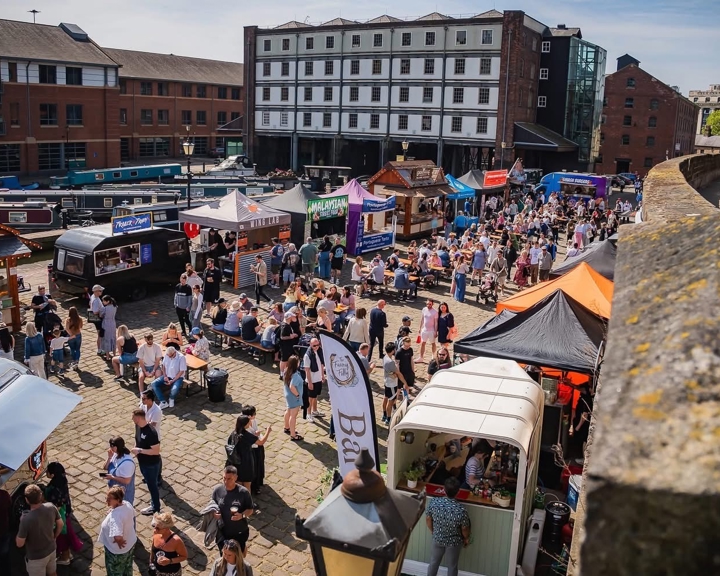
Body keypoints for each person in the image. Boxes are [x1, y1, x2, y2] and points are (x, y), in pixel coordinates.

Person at [425, 477, 471, 576]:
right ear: (458, 492)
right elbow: (465, 528)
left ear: (444, 490)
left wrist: (433, 531)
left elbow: (428, 518)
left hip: (437, 538)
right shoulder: (461, 510)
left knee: (433, 563)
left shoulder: (434, 502)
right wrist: (466, 538)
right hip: (453, 543)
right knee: (452, 566)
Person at [16, 484, 63, 576]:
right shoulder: (51, 507)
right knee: (53, 573)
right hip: (51, 549)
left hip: (36, 558)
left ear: (27, 500)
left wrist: (21, 523)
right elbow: (60, 524)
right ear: (41, 496)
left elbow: (19, 543)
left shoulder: (26, 519)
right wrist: (54, 536)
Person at [44, 462, 82, 565]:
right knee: (66, 535)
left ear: (52, 475)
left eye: (48, 471)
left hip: (60, 516)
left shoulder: (55, 489)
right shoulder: (62, 480)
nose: (46, 473)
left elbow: (56, 506)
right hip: (66, 512)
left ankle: (65, 557)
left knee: (62, 537)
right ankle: (67, 554)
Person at [211, 466, 255, 554]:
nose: (226, 481)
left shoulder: (243, 492)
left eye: (229, 479)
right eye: (224, 478)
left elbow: (250, 510)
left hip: (239, 531)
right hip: (222, 531)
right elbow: (212, 506)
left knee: (239, 554)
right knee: (224, 554)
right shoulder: (217, 490)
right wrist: (214, 513)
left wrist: (241, 515)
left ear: (236, 478)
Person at [98, 486, 137, 576]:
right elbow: (132, 514)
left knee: (115, 572)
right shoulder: (127, 504)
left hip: (117, 552)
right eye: (106, 498)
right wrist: (113, 510)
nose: (107, 501)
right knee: (127, 567)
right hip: (130, 544)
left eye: (109, 499)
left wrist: (119, 541)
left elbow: (117, 536)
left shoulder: (116, 517)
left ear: (118, 499)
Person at [131, 409, 161, 515]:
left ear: (139, 418)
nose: (132, 419)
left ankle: (155, 507)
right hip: (143, 462)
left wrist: (139, 450)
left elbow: (156, 451)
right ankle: (154, 503)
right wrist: (136, 447)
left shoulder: (151, 432)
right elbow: (137, 439)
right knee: (150, 483)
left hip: (151, 464)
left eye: (133, 417)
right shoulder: (137, 426)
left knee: (152, 486)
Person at [226, 415, 258, 492]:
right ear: (245, 424)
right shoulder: (246, 435)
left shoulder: (234, 433)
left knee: (238, 483)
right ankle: (247, 503)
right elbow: (260, 442)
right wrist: (268, 432)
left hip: (235, 462)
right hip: (246, 462)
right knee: (247, 485)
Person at [104, 437, 136, 506]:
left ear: (116, 447)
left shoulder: (128, 463)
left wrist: (112, 477)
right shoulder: (115, 454)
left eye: (111, 446)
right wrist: (109, 457)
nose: (110, 448)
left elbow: (127, 481)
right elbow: (105, 467)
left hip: (124, 495)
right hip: (115, 492)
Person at [382, 342, 407, 425]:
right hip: (392, 384)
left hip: (386, 382)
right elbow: (398, 374)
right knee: (391, 401)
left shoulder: (385, 358)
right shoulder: (391, 362)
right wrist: (405, 383)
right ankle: (388, 418)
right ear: (393, 351)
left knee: (385, 398)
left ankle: (384, 414)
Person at [303, 338, 325, 423]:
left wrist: (322, 375)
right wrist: (310, 382)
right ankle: (308, 414)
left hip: (318, 378)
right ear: (311, 345)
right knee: (310, 398)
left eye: (318, 345)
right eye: (314, 345)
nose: (316, 347)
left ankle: (315, 411)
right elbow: (307, 370)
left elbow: (321, 364)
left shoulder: (319, 351)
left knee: (315, 396)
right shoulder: (307, 355)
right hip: (312, 380)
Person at [282, 355, 304, 441]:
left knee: (288, 411)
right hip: (294, 397)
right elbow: (292, 386)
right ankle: (293, 434)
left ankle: (287, 427)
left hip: (288, 395)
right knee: (293, 415)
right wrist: (298, 395)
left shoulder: (286, 371)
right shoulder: (295, 376)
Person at [278, 311, 300, 377]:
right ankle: (282, 373)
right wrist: (291, 337)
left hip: (287, 345)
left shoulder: (286, 324)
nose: (293, 317)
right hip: (285, 346)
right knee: (284, 360)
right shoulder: (285, 326)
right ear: (289, 317)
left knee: (286, 359)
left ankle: (284, 372)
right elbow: (282, 337)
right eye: (292, 316)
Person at [101, 296, 118, 362]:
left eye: (104, 301)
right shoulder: (115, 306)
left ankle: (107, 356)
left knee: (107, 339)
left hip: (106, 324)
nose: (103, 302)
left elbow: (101, 315)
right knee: (113, 338)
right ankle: (114, 354)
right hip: (113, 323)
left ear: (107, 301)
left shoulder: (105, 308)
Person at [89, 284, 105, 355]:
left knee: (100, 334)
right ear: (96, 291)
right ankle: (99, 349)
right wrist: (102, 311)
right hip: (98, 318)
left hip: (96, 317)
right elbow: (95, 311)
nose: (101, 292)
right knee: (100, 334)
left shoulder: (93, 296)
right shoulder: (96, 300)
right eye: (100, 291)